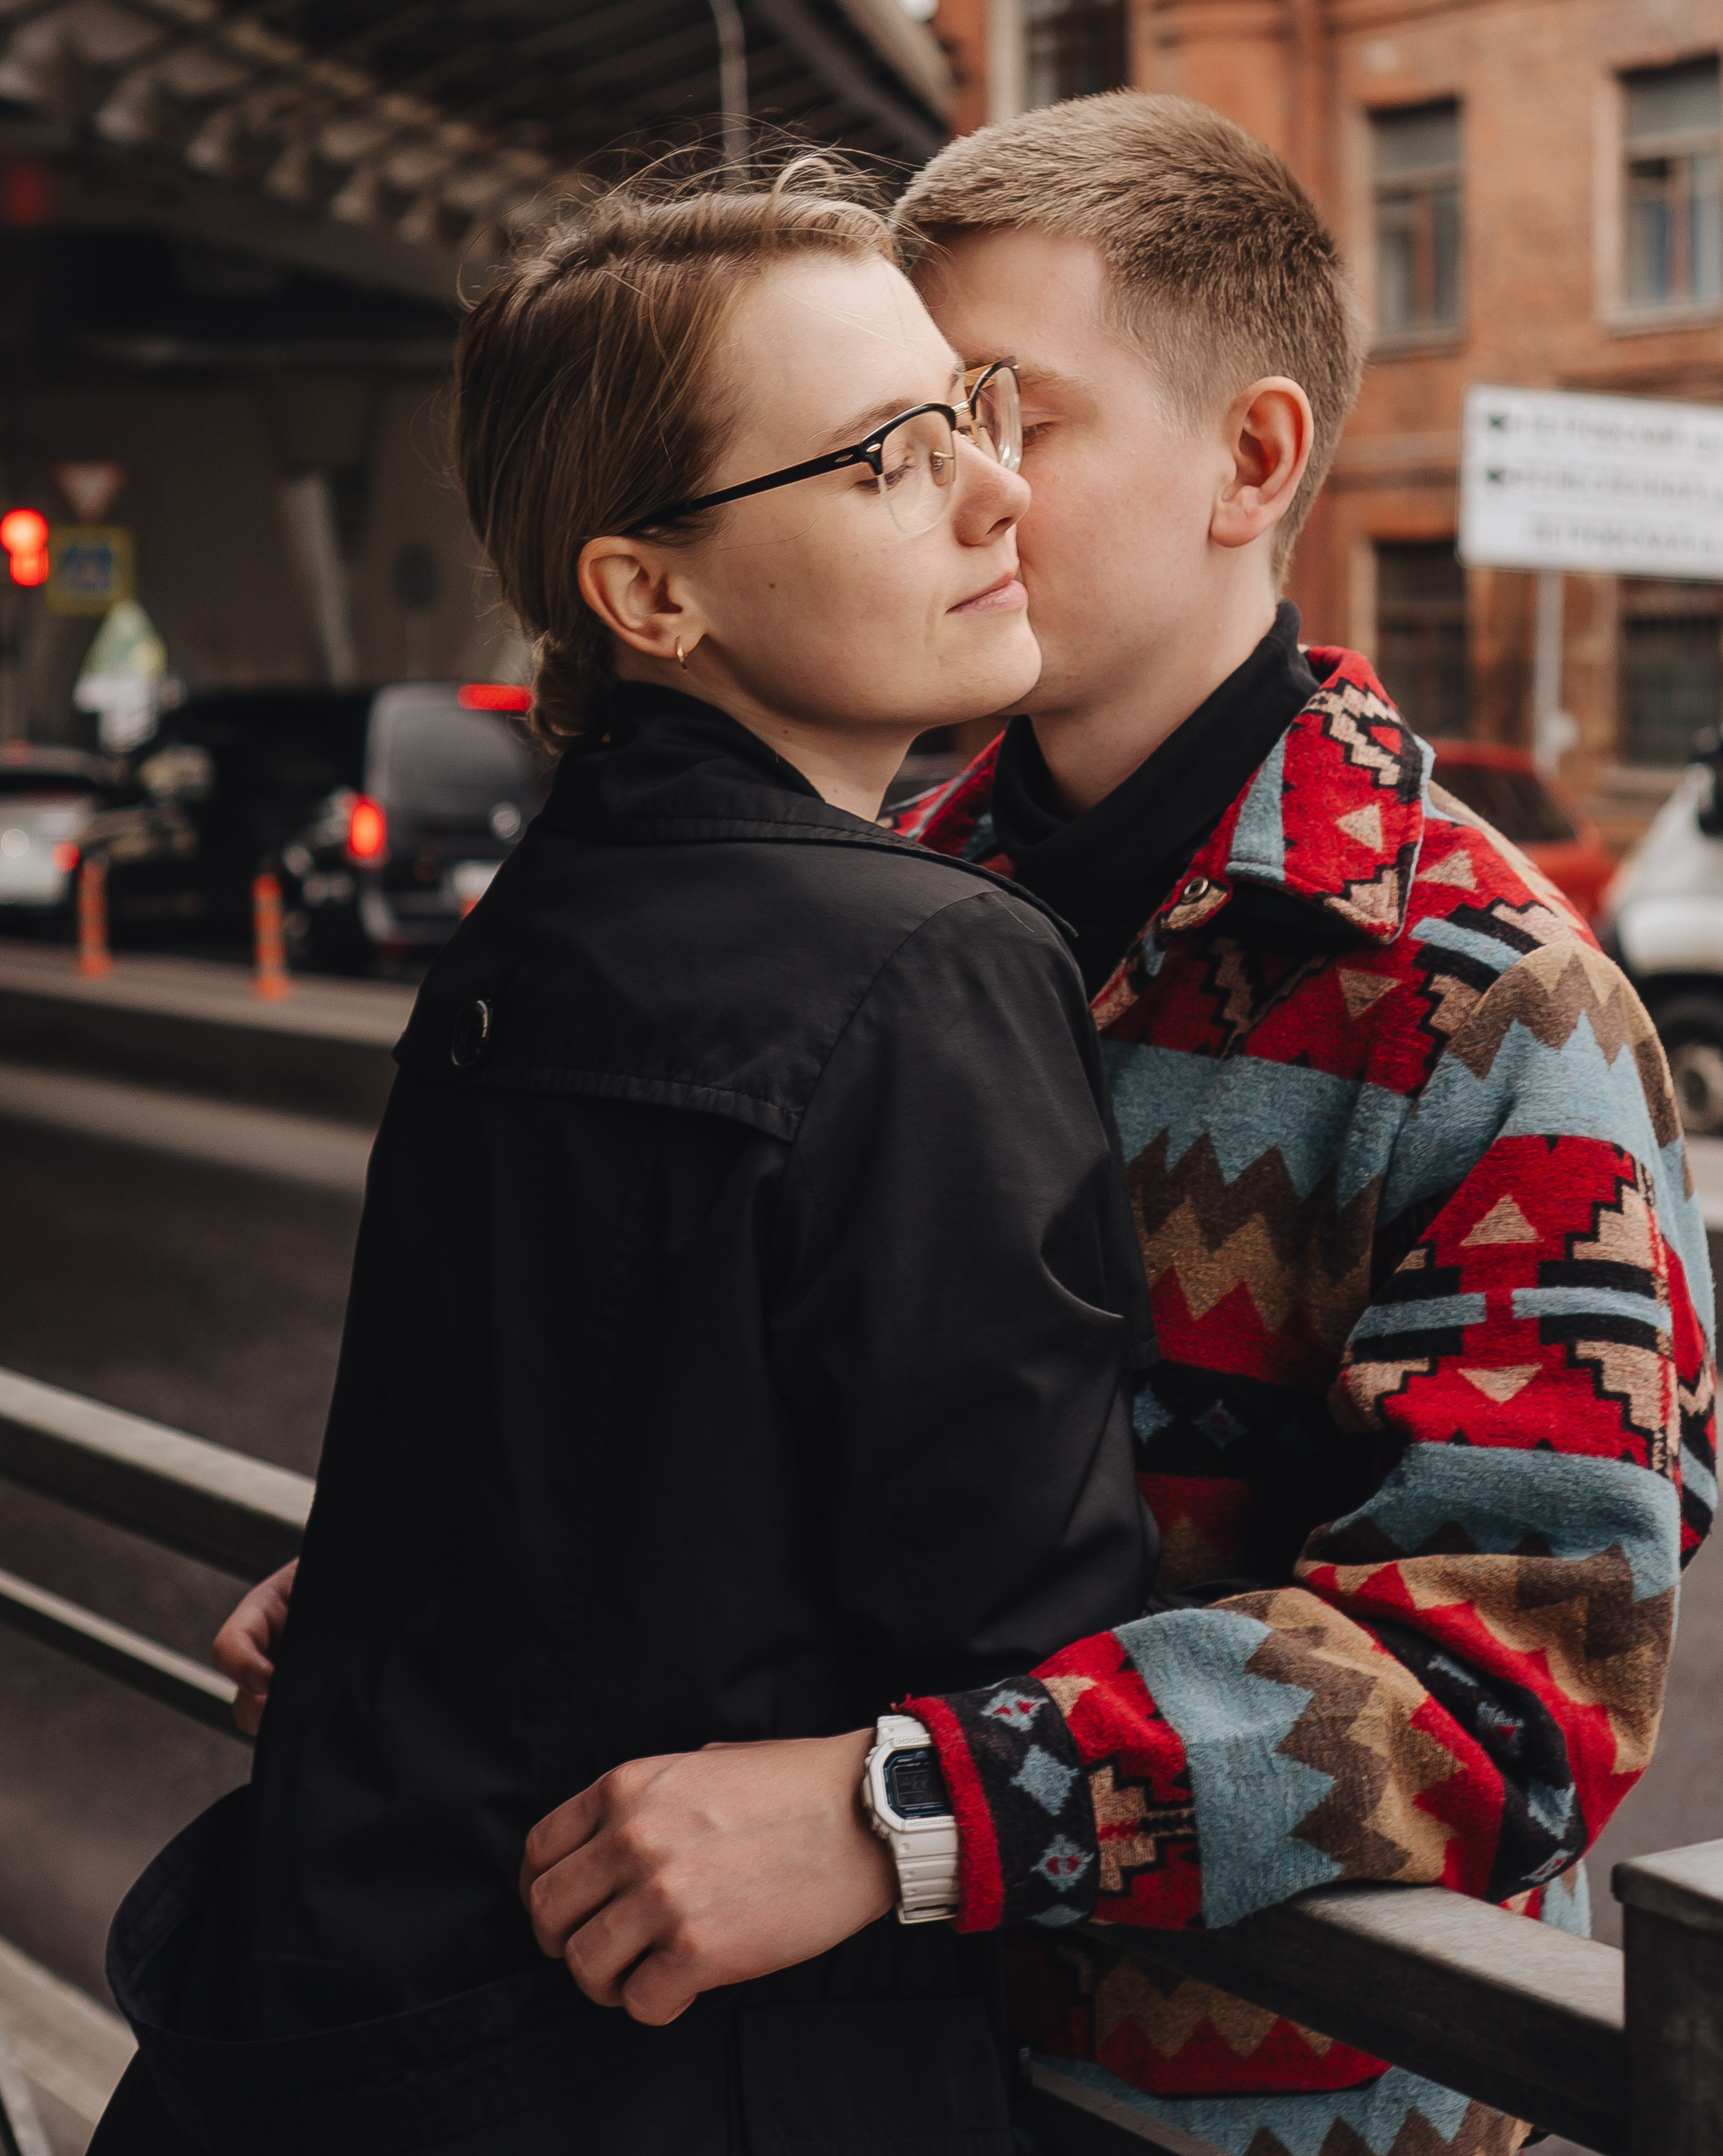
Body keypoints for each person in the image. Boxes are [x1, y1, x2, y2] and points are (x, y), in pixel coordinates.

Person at [478, 97, 1715, 2156]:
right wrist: (449, 1579)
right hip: (840, 2084)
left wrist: (911, 1817)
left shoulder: (1484, 998)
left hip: (1286, 2120)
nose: (959, 488)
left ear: (1254, 461)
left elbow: (1526, 1675)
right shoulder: (854, 922)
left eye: (1012, 417)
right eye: (913, 427)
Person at [93, 167, 1158, 2155]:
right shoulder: (930, 962)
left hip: (364, 2014)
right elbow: (1031, 1638)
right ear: (649, 593)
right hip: (711, 2064)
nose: (996, 495)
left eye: (979, 418)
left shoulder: (528, 931)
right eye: (884, 462)